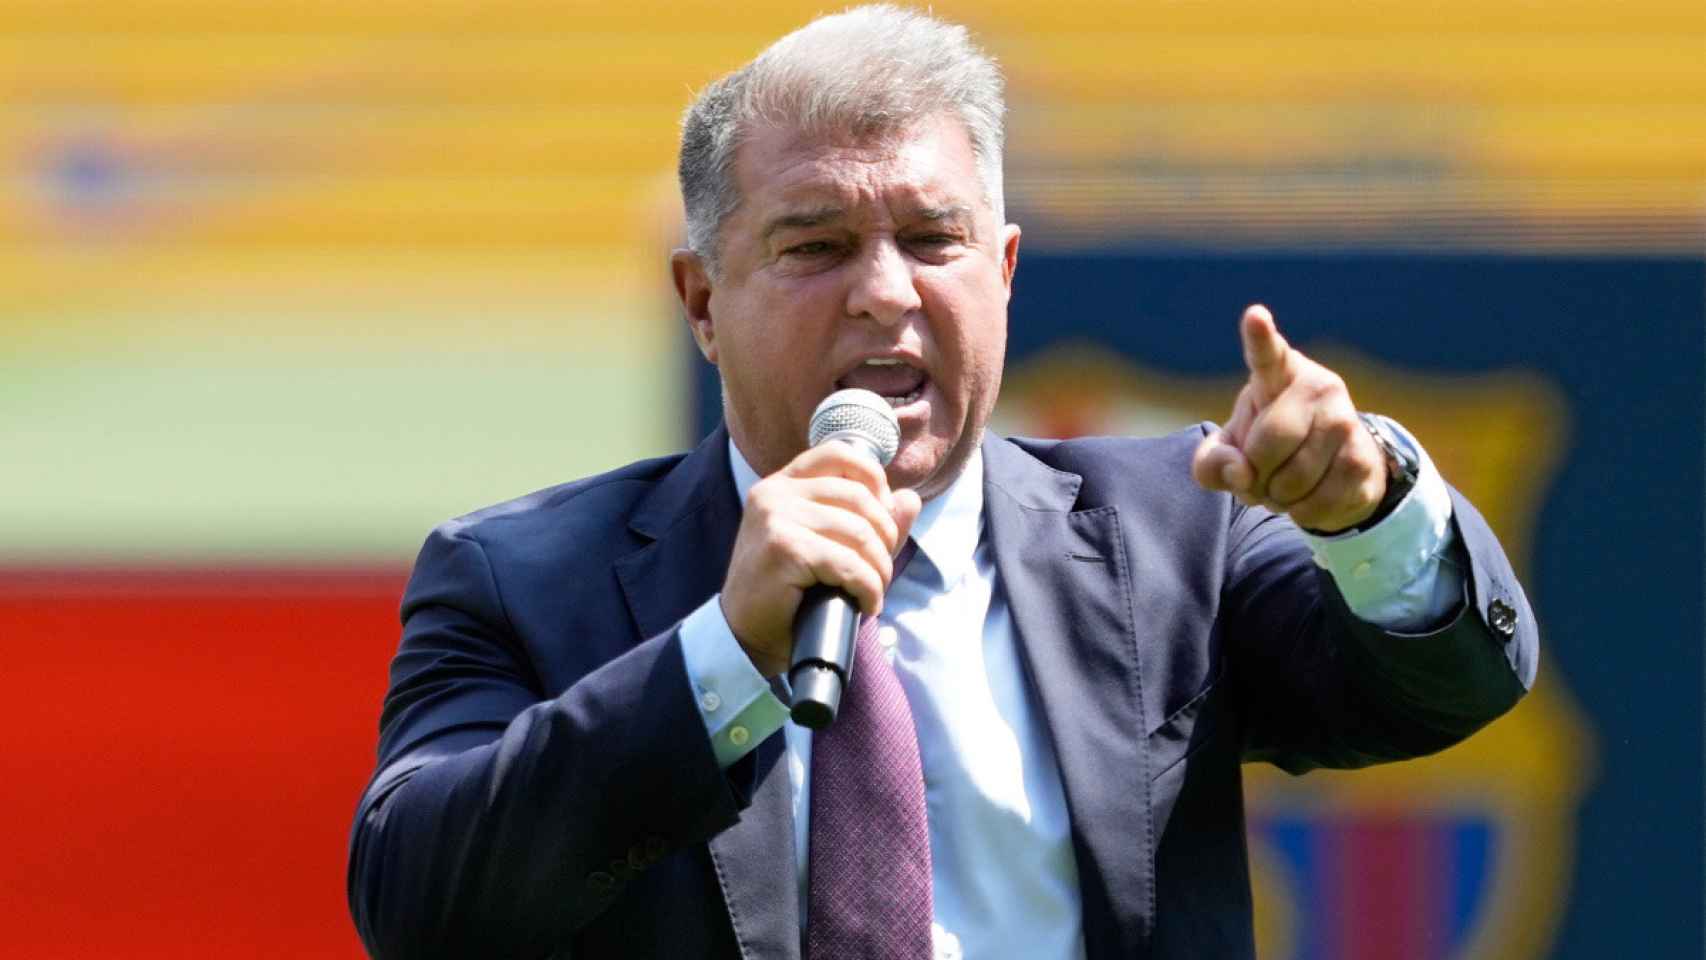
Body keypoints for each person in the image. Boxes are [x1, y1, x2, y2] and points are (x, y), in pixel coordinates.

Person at [346, 6, 1537, 959]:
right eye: (814, 246)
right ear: (702, 302)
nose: (884, 292)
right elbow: (417, 900)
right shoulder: (520, 577)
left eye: (932, 240)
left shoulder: (1172, 530)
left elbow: (1443, 688)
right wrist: (722, 654)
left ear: (1004, 270)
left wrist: (1368, 508)